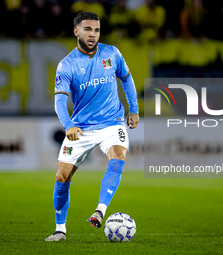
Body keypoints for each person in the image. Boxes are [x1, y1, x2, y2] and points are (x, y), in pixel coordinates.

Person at [45, 11, 139, 241]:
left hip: (112, 122)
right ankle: (60, 230)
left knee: (118, 156)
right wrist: (68, 125)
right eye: (87, 29)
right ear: (76, 31)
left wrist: (133, 108)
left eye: (96, 30)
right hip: (81, 127)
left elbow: (126, 77)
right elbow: (59, 100)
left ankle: (101, 210)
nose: (93, 34)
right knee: (61, 177)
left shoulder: (112, 53)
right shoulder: (67, 65)